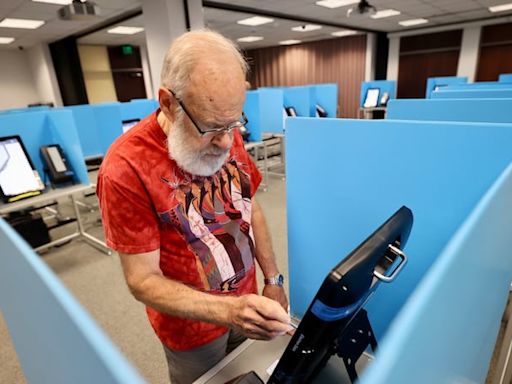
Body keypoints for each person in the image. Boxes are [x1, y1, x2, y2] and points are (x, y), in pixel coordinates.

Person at [96, 29, 291, 384]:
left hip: (248, 305)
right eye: (211, 127)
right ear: (169, 102)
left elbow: (252, 208)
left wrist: (273, 278)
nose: (226, 141)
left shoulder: (226, 132)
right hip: (192, 333)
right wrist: (230, 310)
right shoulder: (125, 167)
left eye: (234, 123)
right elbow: (142, 281)